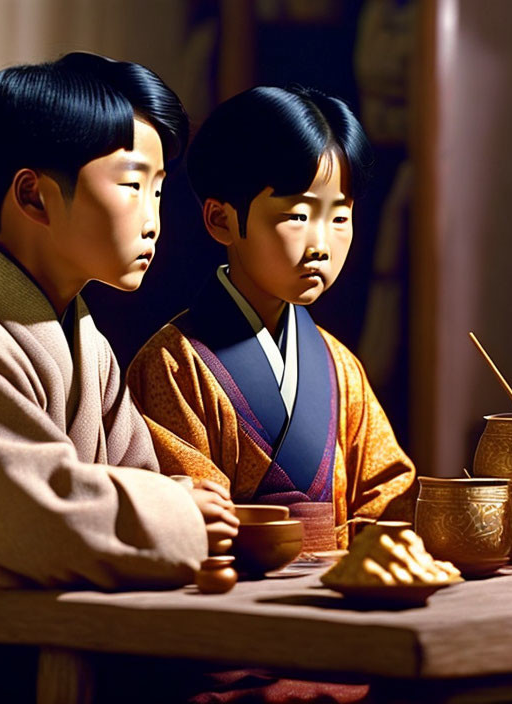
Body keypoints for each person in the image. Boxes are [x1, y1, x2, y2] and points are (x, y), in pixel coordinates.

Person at [0, 52, 238, 590]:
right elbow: (25, 522)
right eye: (131, 185)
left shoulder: (87, 343)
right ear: (34, 196)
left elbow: (138, 480)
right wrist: (180, 515)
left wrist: (180, 510)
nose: (153, 220)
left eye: (160, 190)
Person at [127, 86, 415, 551]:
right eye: (298, 216)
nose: (321, 244)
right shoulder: (173, 366)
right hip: (229, 603)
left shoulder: (341, 368)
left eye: (339, 218)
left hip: (341, 597)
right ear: (221, 221)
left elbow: (387, 496)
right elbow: (183, 511)